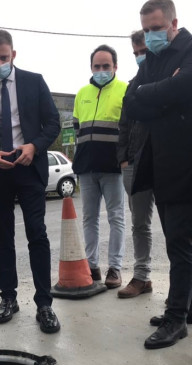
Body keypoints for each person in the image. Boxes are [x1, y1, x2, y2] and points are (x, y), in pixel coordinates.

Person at [121, 0, 192, 349]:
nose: (150, 36)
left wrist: (153, 94)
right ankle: (191, 308)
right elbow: (132, 103)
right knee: (176, 239)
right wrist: (161, 91)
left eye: (156, 28)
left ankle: (175, 318)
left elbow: (187, 86)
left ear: (174, 22)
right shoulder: (155, 60)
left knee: (180, 241)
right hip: (159, 163)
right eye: (146, 30)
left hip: (187, 161)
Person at [0, 29, 61, 334]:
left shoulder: (34, 81)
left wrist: (34, 146)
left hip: (29, 168)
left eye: (4, 57)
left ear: (13, 55)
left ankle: (44, 304)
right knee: (2, 237)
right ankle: (8, 298)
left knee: (37, 233)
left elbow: (53, 122)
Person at [72, 44, 127, 289]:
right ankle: (91, 266)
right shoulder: (81, 93)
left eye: (106, 66)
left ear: (115, 67)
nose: (101, 70)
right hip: (87, 166)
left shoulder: (125, 90)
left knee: (116, 217)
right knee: (89, 218)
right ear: (91, 67)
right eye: (97, 66)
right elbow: (76, 128)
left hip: (113, 167)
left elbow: (129, 129)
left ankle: (115, 268)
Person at [116, 30, 156, 299]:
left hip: (167, 163)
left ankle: (186, 294)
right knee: (139, 224)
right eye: (136, 53)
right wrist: (123, 158)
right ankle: (142, 277)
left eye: (145, 51)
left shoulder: (177, 78)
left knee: (180, 232)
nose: (141, 57)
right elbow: (124, 126)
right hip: (136, 165)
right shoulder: (132, 86)